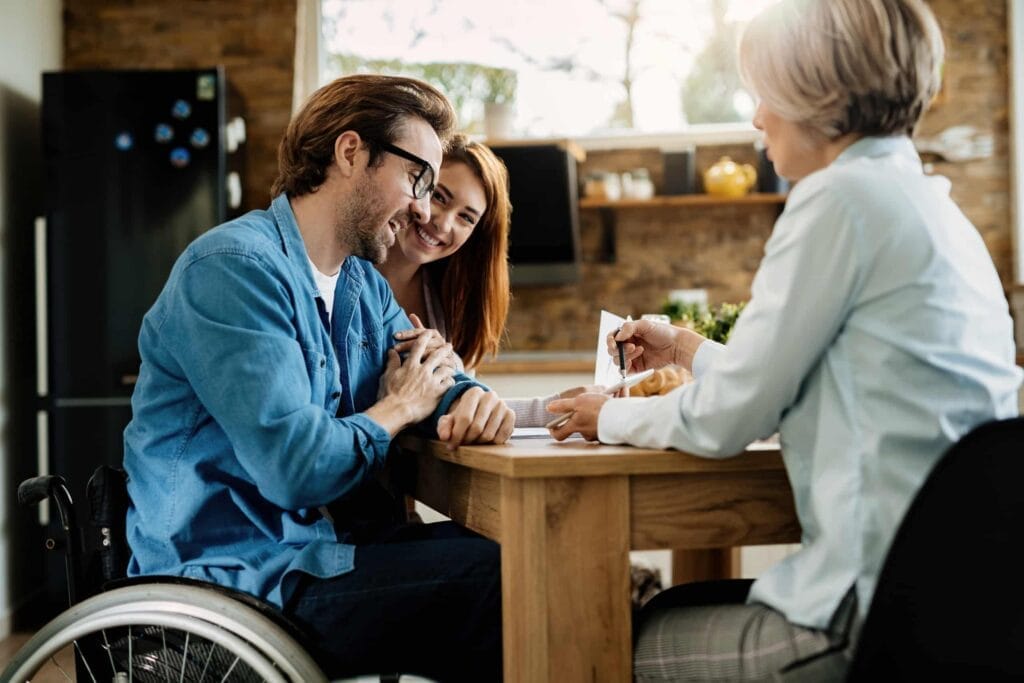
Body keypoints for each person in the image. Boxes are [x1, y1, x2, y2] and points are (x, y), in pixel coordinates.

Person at [547, 0, 1024, 679]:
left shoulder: (839, 200)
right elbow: (779, 376)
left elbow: (729, 417)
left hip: (866, 618)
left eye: (763, 95)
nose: (756, 118)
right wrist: (683, 346)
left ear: (817, 93)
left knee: (597, 634)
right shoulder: (929, 207)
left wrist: (609, 413)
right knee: (670, 602)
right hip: (961, 607)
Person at [123, 74, 511, 681]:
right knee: (502, 583)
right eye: (418, 179)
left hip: (320, 558)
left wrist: (472, 398)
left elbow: (432, 373)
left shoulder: (360, 285)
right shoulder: (234, 269)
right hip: (240, 583)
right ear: (351, 152)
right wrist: (399, 407)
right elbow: (295, 468)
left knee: (512, 560)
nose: (421, 207)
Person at [375, 134, 587, 428]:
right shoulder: (343, 278)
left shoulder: (448, 302)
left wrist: (557, 407)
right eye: (439, 196)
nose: (444, 223)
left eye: (466, 218)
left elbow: (460, 410)